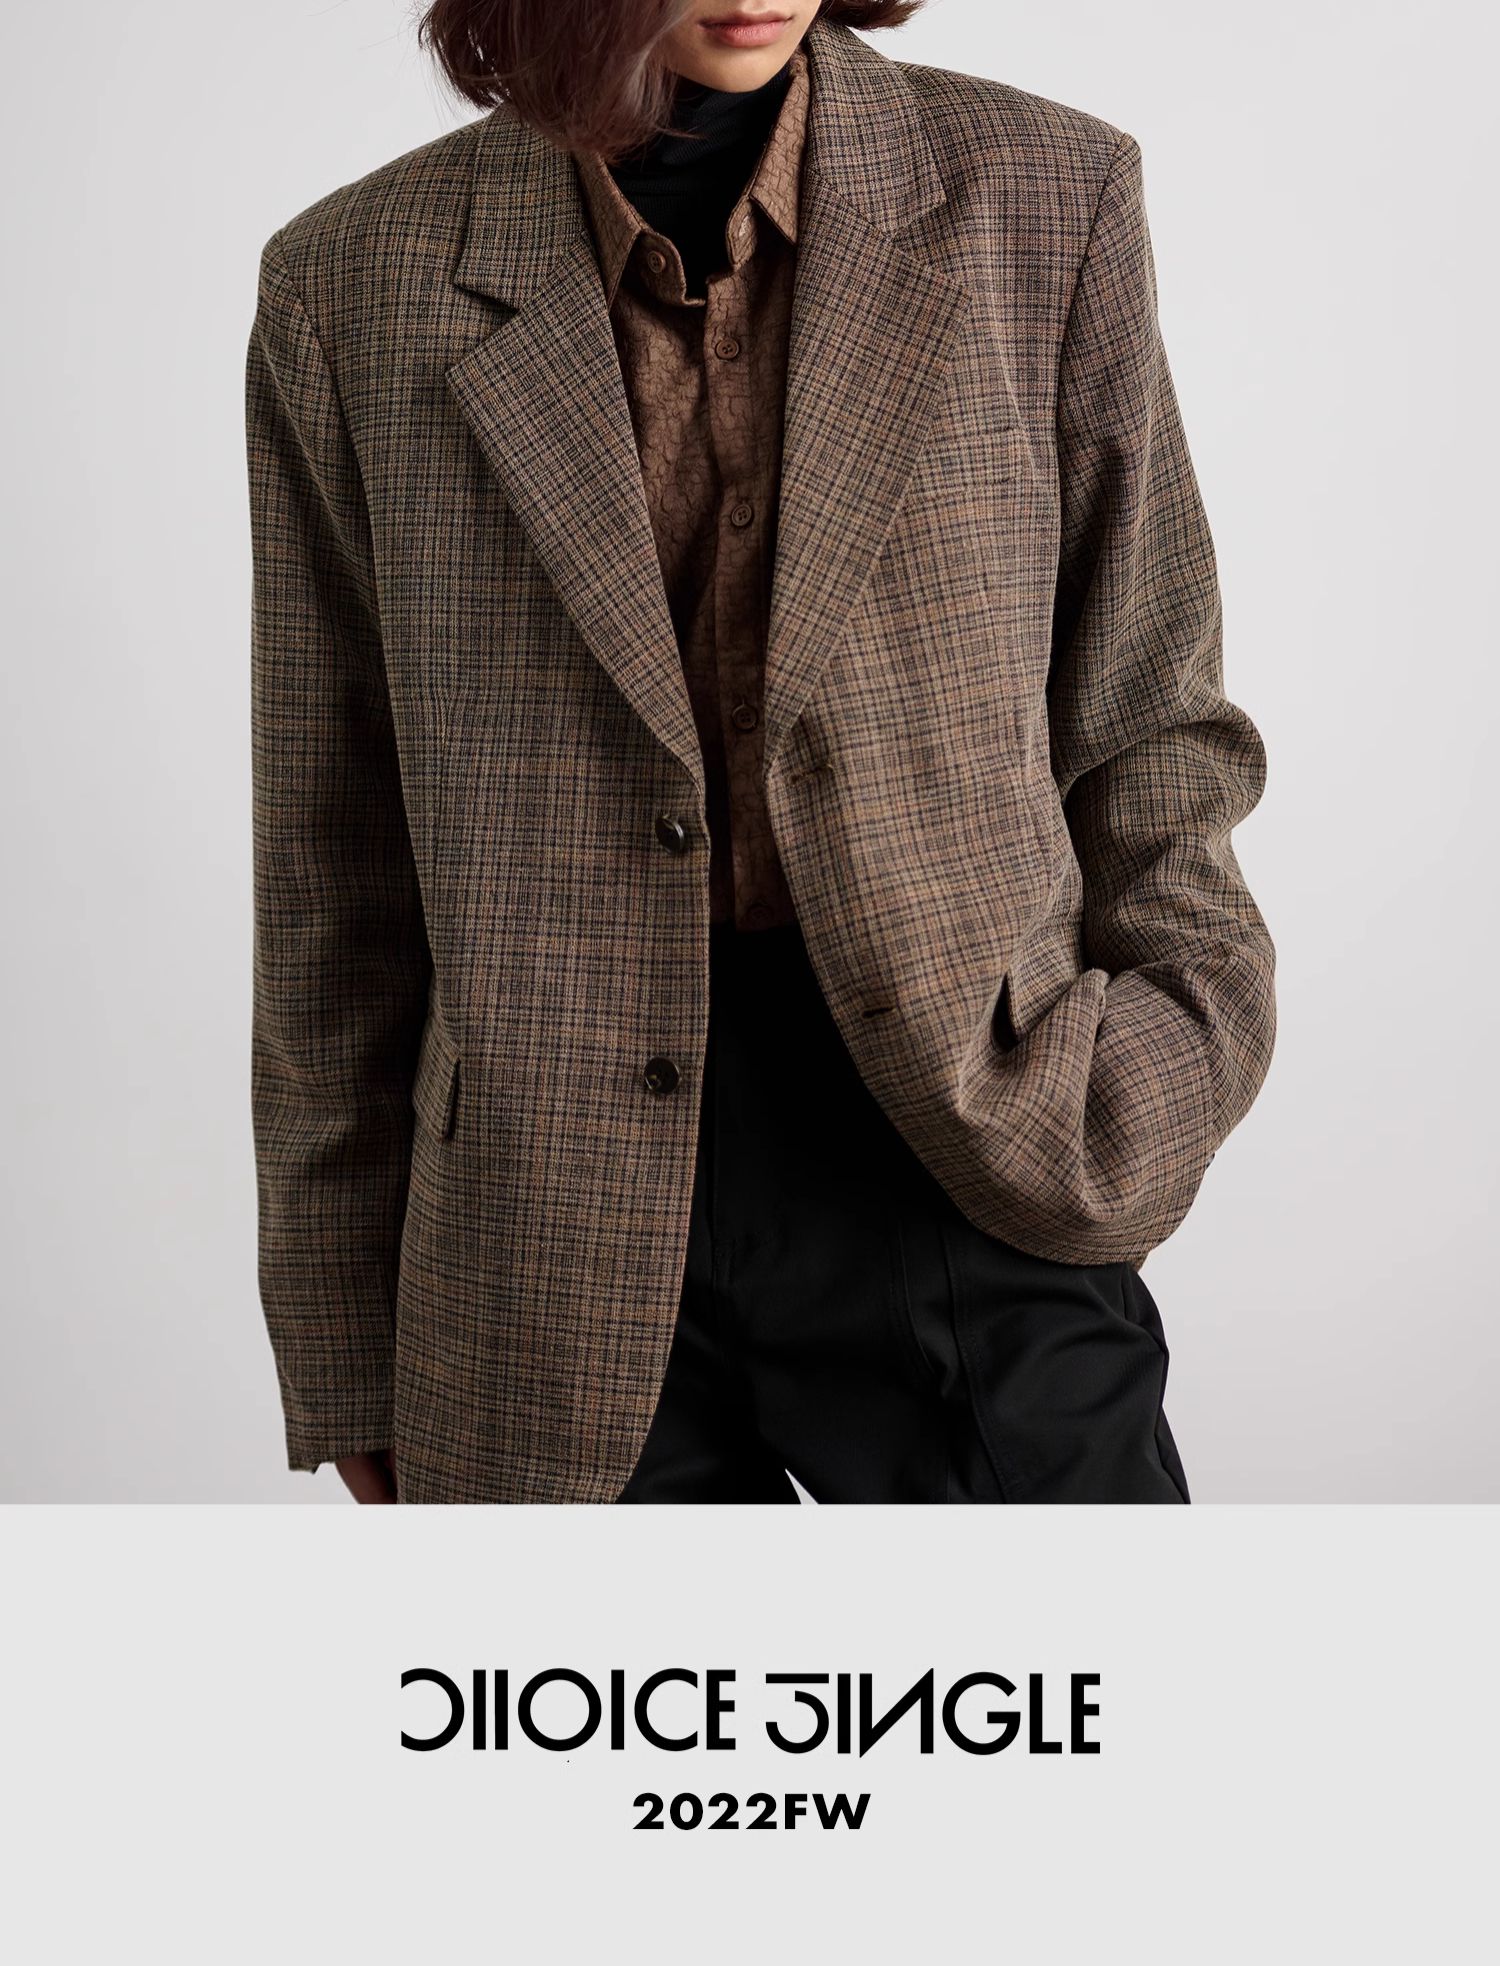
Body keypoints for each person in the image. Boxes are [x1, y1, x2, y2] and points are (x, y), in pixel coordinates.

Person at [245, 0, 1275, 1505]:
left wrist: (1161, 1062)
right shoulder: (352, 283)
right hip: (540, 1222)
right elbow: (330, 844)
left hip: (964, 1136)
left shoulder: (1044, 195)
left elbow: (1150, 706)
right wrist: (343, 1332)